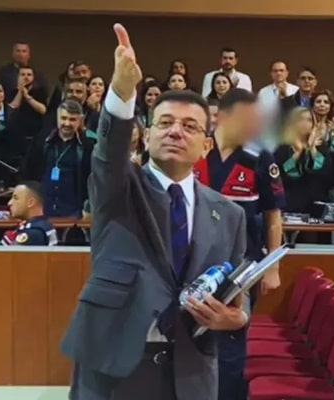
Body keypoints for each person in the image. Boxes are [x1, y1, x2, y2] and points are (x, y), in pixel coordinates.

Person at [61, 24, 249, 400]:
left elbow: (238, 288)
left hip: (191, 369)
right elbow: (109, 153)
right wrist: (122, 91)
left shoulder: (229, 214)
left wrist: (238, 318)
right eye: (164, 123)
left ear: (206, 146)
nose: (176, 131)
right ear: (146, 137)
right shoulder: (119, 187)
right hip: (116, 364)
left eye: (190, 126)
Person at [193, 88, 285, 400]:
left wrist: (272, 267)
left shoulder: (260, 157)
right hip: (193, 263)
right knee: (192, 341)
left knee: (231, 345)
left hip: (240, 268)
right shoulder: (197, 150)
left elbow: (273, 215)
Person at [1, 181, 58, 246]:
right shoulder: (43, 225)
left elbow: (10, 252)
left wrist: (8, 243)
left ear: (30, 203)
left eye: (16, 198)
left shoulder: (34, 232)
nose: (9, 203)